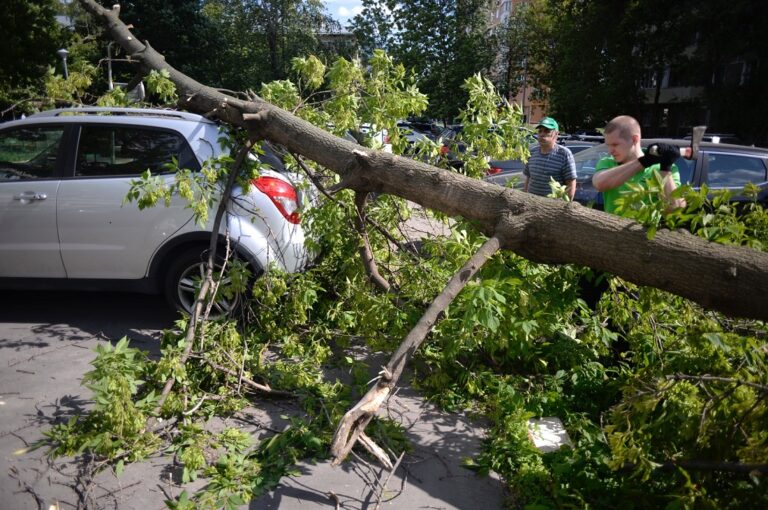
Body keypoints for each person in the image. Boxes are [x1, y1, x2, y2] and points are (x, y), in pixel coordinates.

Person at [592, 115, 686, 215]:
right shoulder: (607, 162)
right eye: (608, 145)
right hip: (610, 228)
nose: (610, 151)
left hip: (644, 230)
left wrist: (665, 168)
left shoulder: (662, 167)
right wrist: (644, 161)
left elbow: (675, 209)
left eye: (615, 145)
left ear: (634, 139)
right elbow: (599, 184)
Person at [523, 117, 577, 200]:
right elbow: (528, 178)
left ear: (556, 134)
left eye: (547, 131)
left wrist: (566, 207)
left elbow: (571, 184)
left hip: (551, 209)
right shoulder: (532, 152)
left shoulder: (564, 154)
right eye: (540, 131)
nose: (542, 134)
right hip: (531, 205)